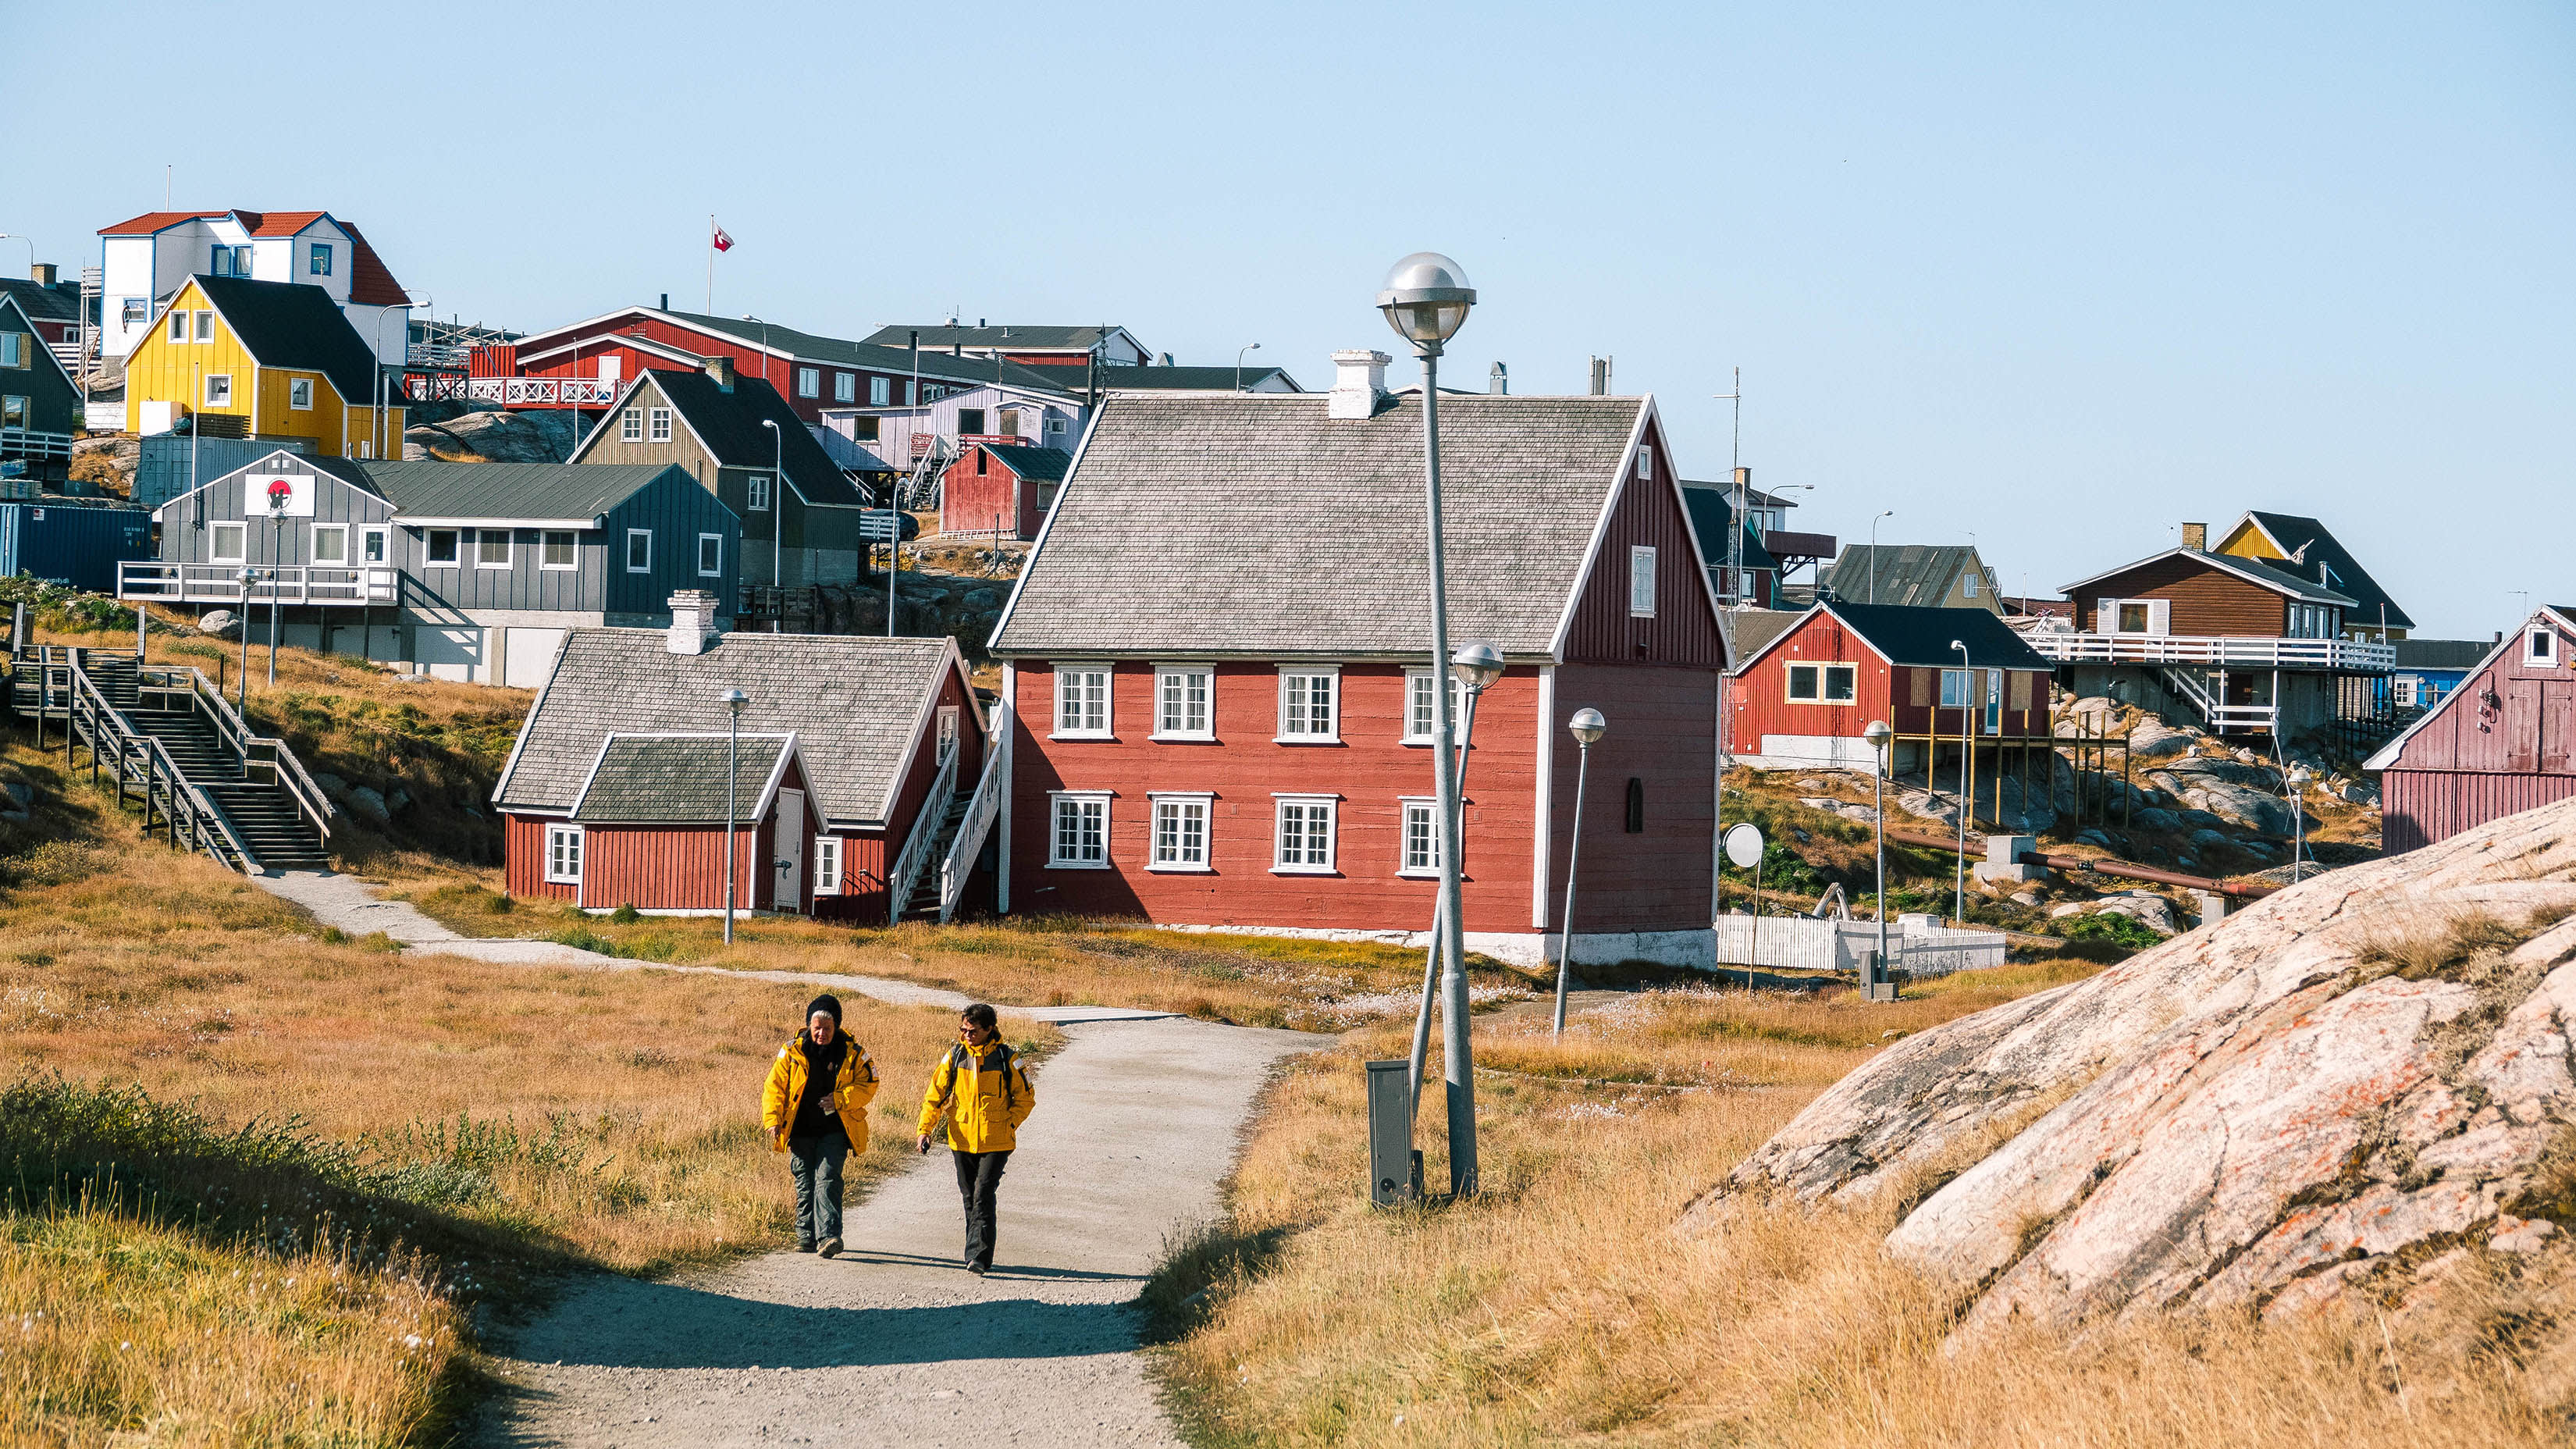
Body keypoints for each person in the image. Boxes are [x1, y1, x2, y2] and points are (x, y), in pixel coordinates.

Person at [916, 1002, 1035, 1275]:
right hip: (961, 1139)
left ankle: (978, 1257)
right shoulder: (954, 1057)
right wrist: (925, 1130)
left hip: (997, 1142)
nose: (966, 1035)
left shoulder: (1008, 1059)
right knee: (970, 1196)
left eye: (973, 1031)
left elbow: (1026, 1098)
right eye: (964, 1029)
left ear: (989, 1029)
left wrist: (1009, 1124)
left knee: (983, 1194)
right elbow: (934, 1097)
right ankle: (976, 1254)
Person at [761, 994, 878, 1258]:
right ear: (809, 1026)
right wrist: (773, 1119)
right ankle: (805, 1236)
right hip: (800, 1130)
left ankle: (830, 1236)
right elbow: (774, 1087)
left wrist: (840, 1099)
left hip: (835, 1130)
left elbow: (869, 1084)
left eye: (827, 1028)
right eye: (817, 1028)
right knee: (805, 1182)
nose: (821, 1033)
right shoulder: (791, 1051)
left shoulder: (853, 1053)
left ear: (836, 1027)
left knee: (828, 1179)